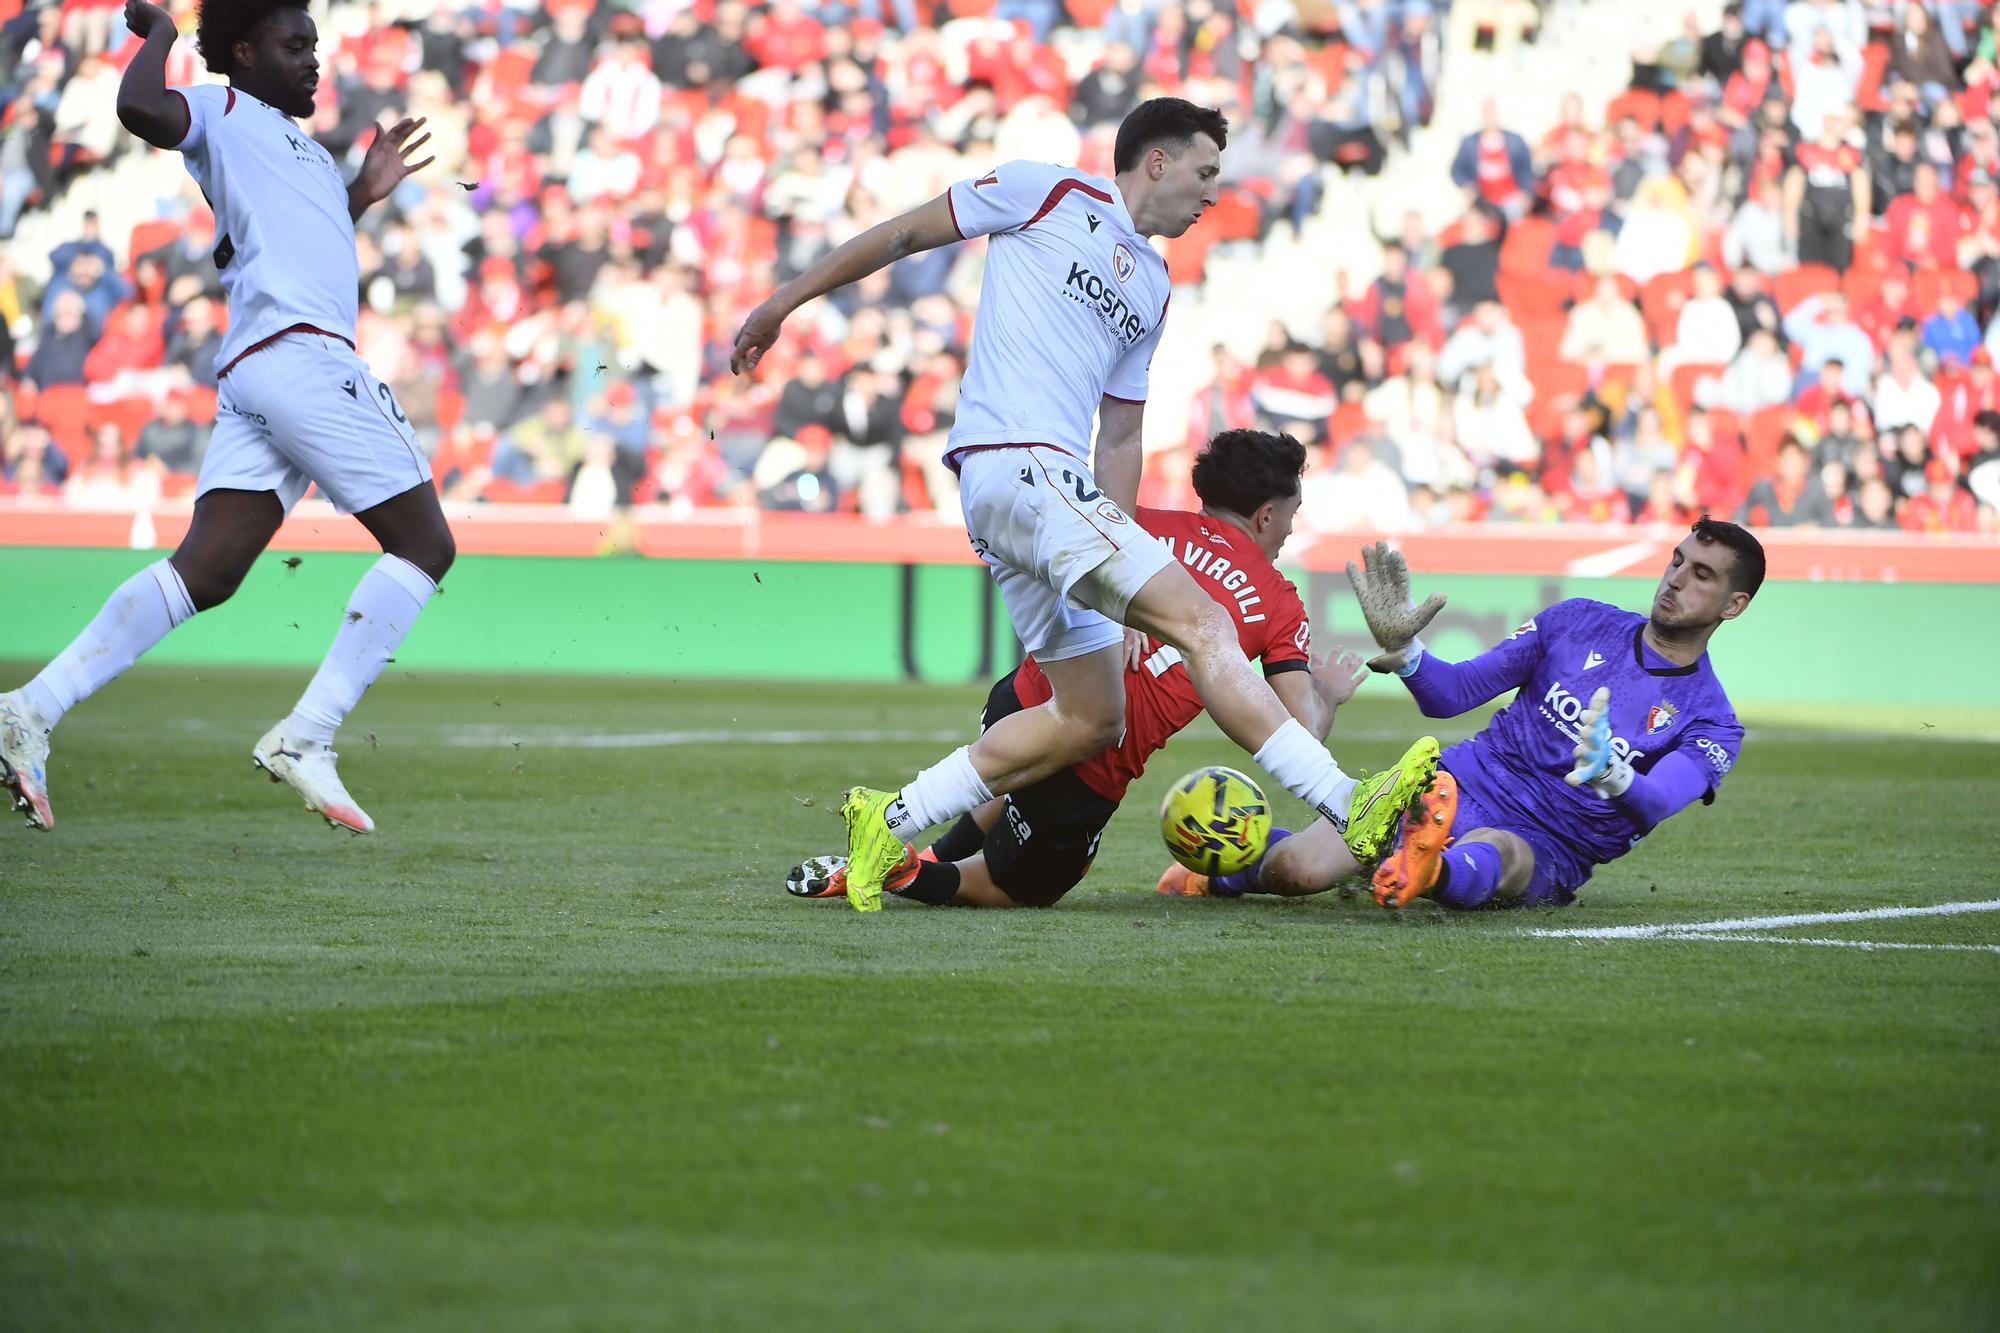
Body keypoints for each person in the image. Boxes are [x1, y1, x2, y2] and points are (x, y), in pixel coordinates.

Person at [730, 98, 1439, 911]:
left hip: (1041, 494)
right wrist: (783, 301)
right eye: (1206, 173)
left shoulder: (1157, 286)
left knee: (1091, 716)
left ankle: (885, 827)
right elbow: (900, 236)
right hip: (1020, 465)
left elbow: (1122, 439)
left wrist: (1125, 572)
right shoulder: (1046, 192)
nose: (1214, 195)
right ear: (1159, 161)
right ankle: (1351, 805)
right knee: (1206, 621)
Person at [1, 0, 447, 836]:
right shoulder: (222, 108)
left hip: (258, 369)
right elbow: (141, 108)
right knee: (426, 545)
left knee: (205, 572)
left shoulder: (307, 154)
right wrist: (161, 33)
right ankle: (306, 737)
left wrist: (361, 193)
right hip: (302, 358)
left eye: (315, 44)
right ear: (242, 51)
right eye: (294, 44)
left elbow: (302, 240)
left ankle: (29, 708)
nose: (314, 60)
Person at [784, 430, 1369, 908]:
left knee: (1021, 769)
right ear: (1267, 515)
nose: (1292, 528)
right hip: (1090, 766)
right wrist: (1330, 692)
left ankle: (925, 848)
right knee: (1017, 888)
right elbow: (1301, 733)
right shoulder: (1277, 600)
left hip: (1020, 702)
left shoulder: (1134, 522)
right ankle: (903, 870)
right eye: (1292, 514)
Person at [1158, 522, 1760, 911]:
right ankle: (1223, 870)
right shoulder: (1575, 620)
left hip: (1551, 837)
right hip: (1458, 780)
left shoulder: (1712, 722)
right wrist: (1410, 653)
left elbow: (1656, 803)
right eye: (1677, 561)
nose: (1675, 580)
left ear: (1734, 605)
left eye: (1700, 575)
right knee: (1299, 870)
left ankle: (1427, 869)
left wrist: (1615, 775)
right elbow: (1452, 695)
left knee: (1503, 854)